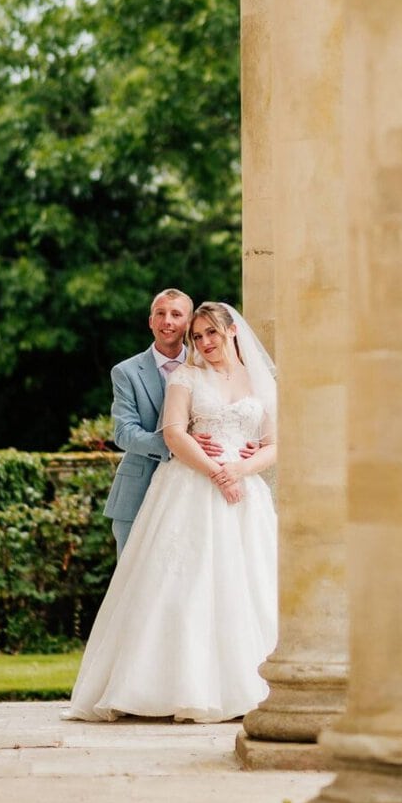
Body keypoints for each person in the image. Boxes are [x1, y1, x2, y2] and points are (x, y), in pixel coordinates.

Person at [64, 302, 278, 723]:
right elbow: (175, 434)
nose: (204, 342)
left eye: (211, 333)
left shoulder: (261, 380)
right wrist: (217, 472)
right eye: (197, 337)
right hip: (192, 487)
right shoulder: (186, 377)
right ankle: (168, 687)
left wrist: (241, 469)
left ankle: (244, 685)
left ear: (232, 331)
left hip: (244, 491)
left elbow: (274, 444)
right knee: (185, 584)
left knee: (245, 583)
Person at [103, 288, 251, 557]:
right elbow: (124, 432)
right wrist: (178, 443)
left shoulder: (207, 366)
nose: (167, 321)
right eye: (160, 314)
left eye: (176, 315)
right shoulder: (125, 372)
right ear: (150, 321)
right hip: (139, 488)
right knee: (134, 582)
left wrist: (247, 444)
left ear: (188, 323)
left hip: (194, 491)